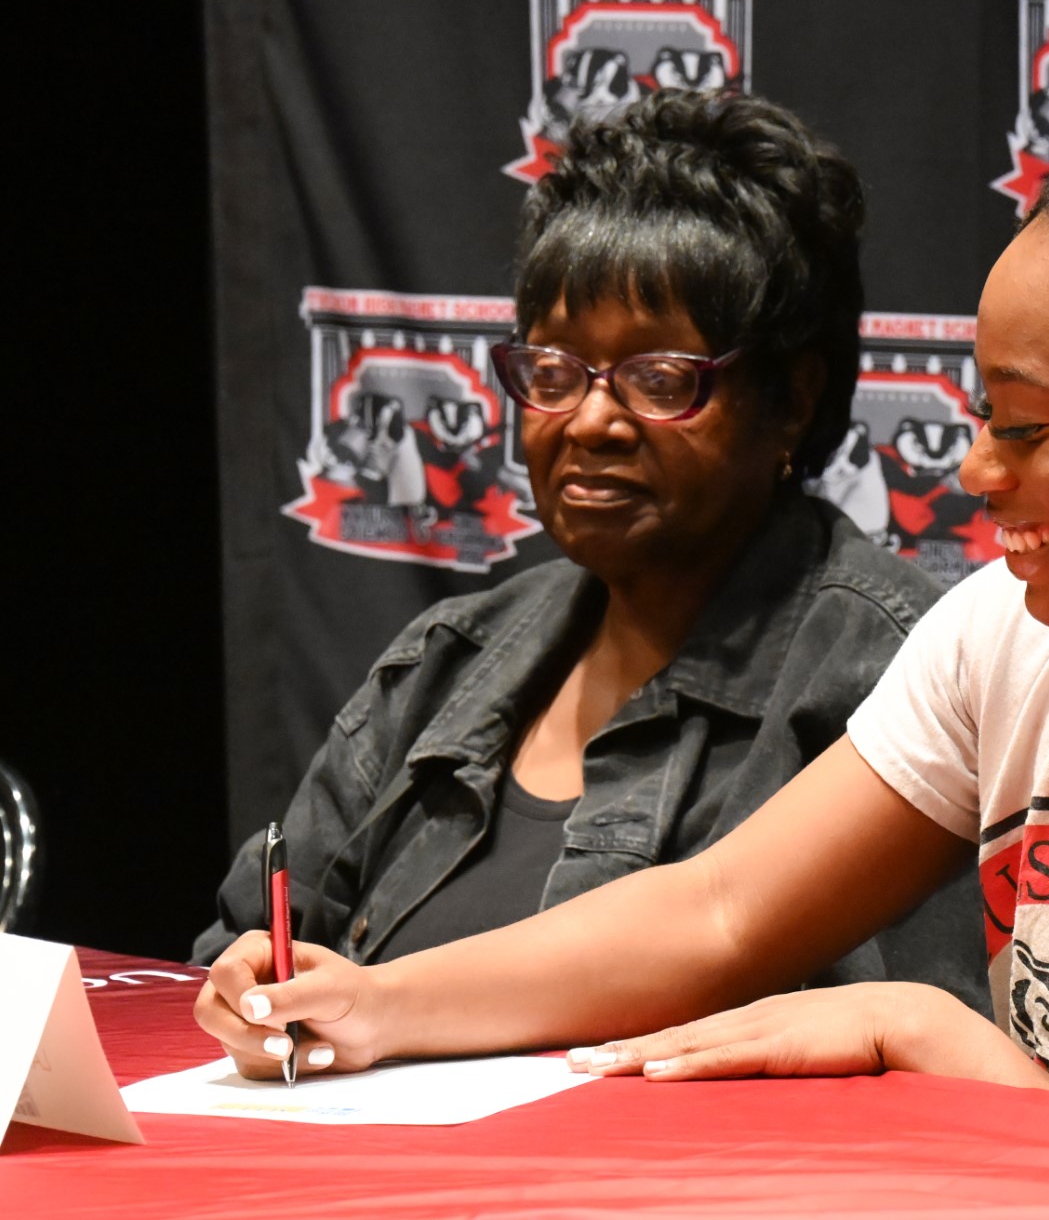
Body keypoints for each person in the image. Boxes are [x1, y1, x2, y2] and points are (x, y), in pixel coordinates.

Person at [196, 102, 1049, 1097]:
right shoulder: (1007, 631)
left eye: (1030, 429)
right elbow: (718, 909)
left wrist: (917, 1029)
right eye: (986, 417)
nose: (976, 471)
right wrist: (371, 1008)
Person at [191, 91, 987, 1015]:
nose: (591, 421)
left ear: (792, 399)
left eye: (658, 379)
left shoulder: (889, 675)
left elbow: (902, 1049)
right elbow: (249, 944)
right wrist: (245, 992)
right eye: (554, 373)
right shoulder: (449, 660)